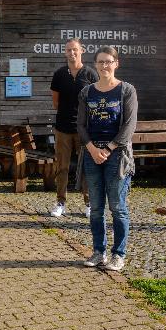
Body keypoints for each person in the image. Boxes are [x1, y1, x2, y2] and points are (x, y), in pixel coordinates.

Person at [77, 46, 137, 272]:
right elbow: (81, 124)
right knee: (96, 208)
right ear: (95, 64)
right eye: (100, 62)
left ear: (116, 64)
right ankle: (98, 251)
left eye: (108, 61)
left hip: (117, 156)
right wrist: (92, 148)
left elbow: (129, 125)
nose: (104, 66)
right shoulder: (86, 92)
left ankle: (118, 254)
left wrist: (109, 148)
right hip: (92, 154)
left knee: (118, 207)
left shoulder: (127, 90)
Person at [49, 38, 98, 218]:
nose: (72, 53)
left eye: (75, 50)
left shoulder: (91, 74)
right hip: (62, 128)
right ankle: (60, 202)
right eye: (68, 50)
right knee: (61, 167)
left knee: (86, 167)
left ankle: (89, 203)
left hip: (84, 130)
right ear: (65, 53)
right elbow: (56, 103)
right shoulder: (59, 74)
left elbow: (95, 102)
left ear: (81, 51)